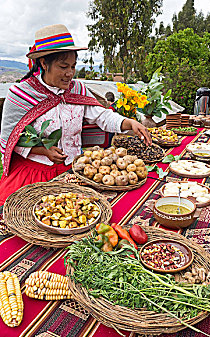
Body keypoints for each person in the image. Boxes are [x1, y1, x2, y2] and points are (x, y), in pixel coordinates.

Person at [0, 24, 151, 205]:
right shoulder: (21, 94)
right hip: (35, 175)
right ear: (43, 63)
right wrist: (43, 150)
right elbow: (8, 139)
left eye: (72, 66)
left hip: (75, 171)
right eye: (63, 66)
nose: (70, 73)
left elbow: (101, 116)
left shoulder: (77, 89)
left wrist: (129, 122)